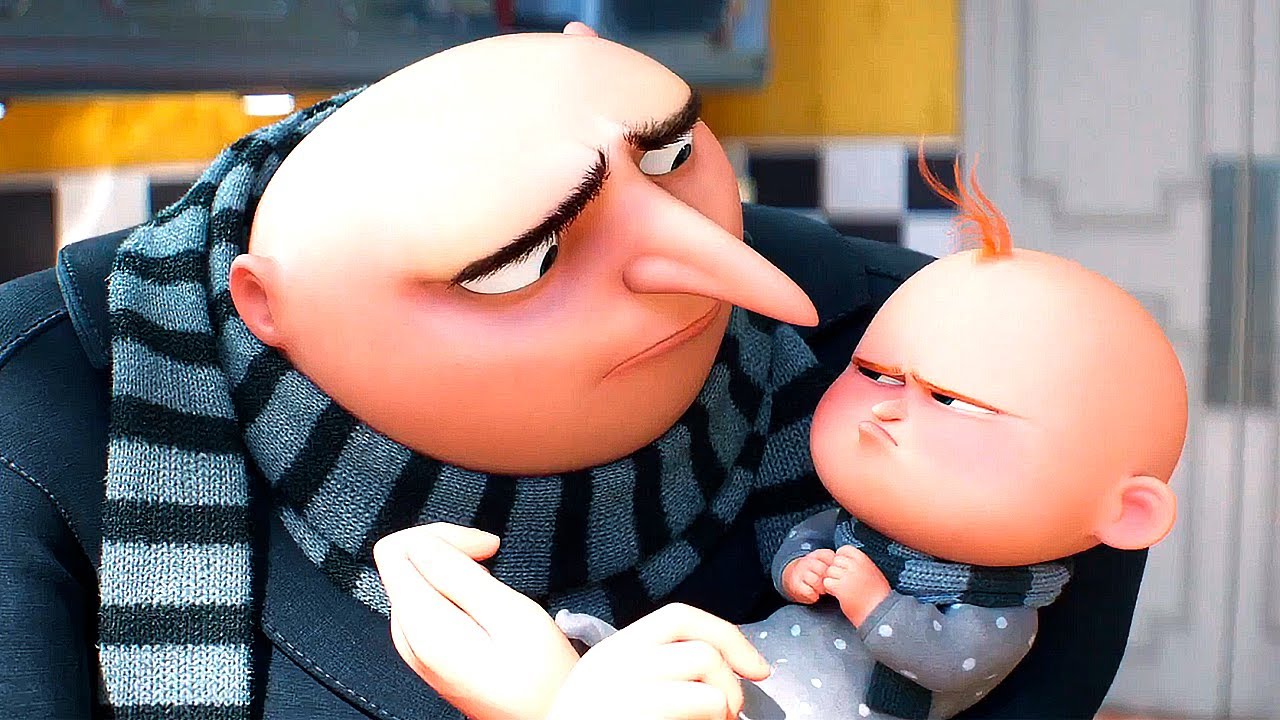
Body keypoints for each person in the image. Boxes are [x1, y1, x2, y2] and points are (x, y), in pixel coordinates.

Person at [0, 23, 1152, 720]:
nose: (703, 263)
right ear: (266, 305)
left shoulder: (961, 347)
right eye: (523, 262)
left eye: (670, 153)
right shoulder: (36, 414)